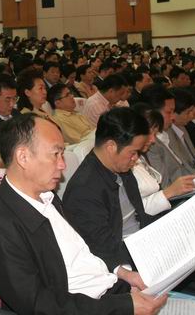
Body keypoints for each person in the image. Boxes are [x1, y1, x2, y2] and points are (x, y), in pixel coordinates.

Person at [0, 113, 167, 315]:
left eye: (63, 154)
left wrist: (123, 274)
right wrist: (125, 306)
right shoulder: (0, 226)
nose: (62, 165)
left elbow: (83, 253)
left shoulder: (47, 197)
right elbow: (41, 306)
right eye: (55, 154)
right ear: (23, 157)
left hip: (110, 292)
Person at [64, 108, 156, 273]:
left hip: (141, 243)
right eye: (133, 152)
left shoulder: (121, 167)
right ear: (111, 146)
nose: (136, 159)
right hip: (122, 262)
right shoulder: (83, 191)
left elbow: (138, 215)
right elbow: (103, 250)